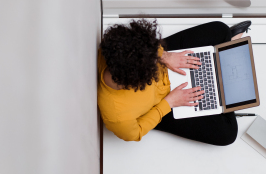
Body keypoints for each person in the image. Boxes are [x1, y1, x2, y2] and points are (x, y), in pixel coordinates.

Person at [97, 19, 251, 145]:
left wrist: (164, 56)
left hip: (163, 62)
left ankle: (216, 84)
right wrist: (169, 103)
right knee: (227, 135)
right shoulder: (118, 118)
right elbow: (135, 133)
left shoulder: (115, 48)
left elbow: (142, 45)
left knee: (220, 29)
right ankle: (221, 97)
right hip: (163, 104)